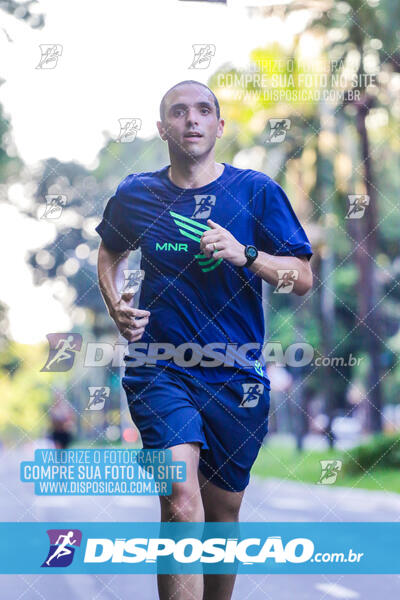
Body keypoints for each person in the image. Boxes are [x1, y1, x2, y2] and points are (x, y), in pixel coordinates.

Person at [96, 80, 313, 600]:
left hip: (237, 374)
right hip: (159, 368)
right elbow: (110, 252)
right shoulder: (137, 194)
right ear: (162, 128)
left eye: (203, 111)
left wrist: (248, 255)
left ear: (219, 125)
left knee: (221, 514)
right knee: (179, 500)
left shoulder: (255, 191)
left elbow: (302, 277)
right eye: (178, 112)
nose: (191, 120)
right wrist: (115, 304)